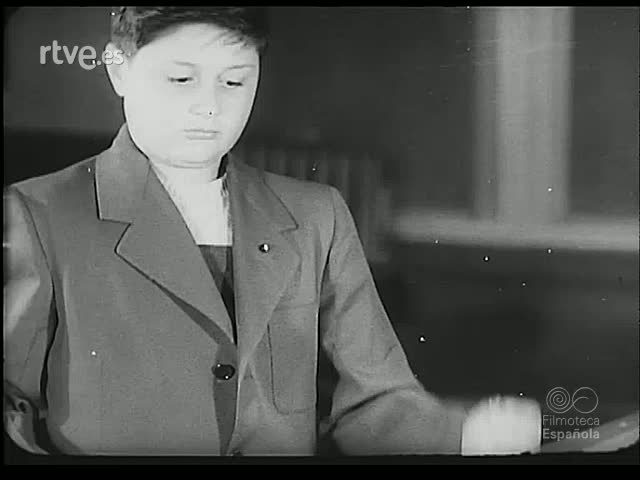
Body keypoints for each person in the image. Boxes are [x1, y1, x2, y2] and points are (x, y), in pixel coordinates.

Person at [3, 6, 541, 456]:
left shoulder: (315, 215)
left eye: (235, 80)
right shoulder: (40, 213)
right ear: (118, 71)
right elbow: (12, 409)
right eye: (181, 79)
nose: (209, 105)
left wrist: (463, 435)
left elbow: (373, 400)